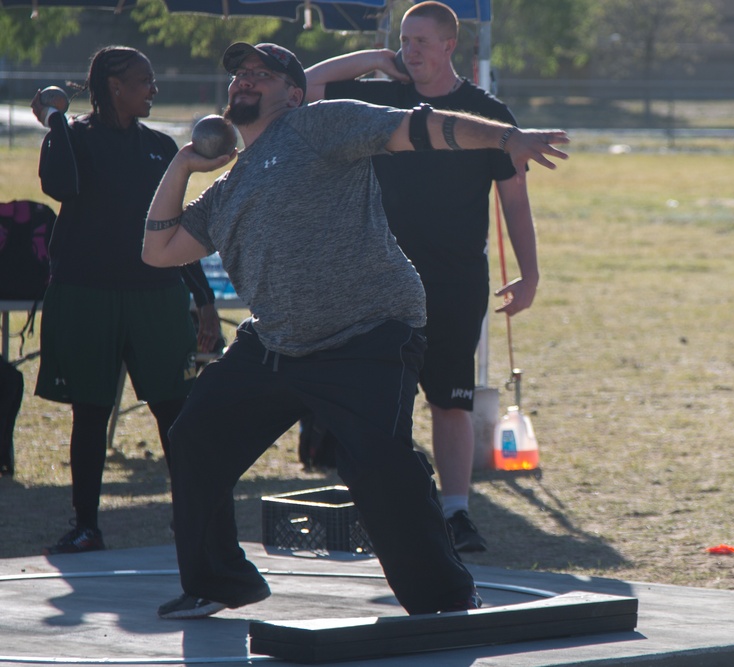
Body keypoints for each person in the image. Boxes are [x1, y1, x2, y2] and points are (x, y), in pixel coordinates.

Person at [142, 41, 567, 619]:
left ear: (292, 93)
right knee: (194, 438)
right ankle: (219, 581)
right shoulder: (228, 187)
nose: (245, 81)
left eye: (261, 75)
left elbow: (421, 128)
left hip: (367, 333)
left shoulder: (318, 124)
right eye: (240, 75)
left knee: (377, 462)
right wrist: (184, 163)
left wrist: (503, 137)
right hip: (276, 343)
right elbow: (159, 249)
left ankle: (444, 599)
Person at [304, 1, 537, 552]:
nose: (411, 51)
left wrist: (529, 274)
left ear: (451, 46)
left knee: (450, 400)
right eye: (405, 41)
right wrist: (375, 59)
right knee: (380, 398)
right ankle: (382, 507)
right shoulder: (380, 99)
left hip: (456, 279)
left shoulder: (486, 113)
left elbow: (516, 200)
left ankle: (455, 514)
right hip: (378, 276)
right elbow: (309, 85)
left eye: (421, 42)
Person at [30, 46, 222, 556]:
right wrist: (58, 124)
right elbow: (62, 185)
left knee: (175, 413)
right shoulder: (72, 139)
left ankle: (193, 522)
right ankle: (87, 526)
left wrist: (203, 301)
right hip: (85, 293)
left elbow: (175, 229)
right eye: (145, 80)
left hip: (155, 297)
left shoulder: (161, 147)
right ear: (115, 85)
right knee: (90, 412)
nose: (154, 89)